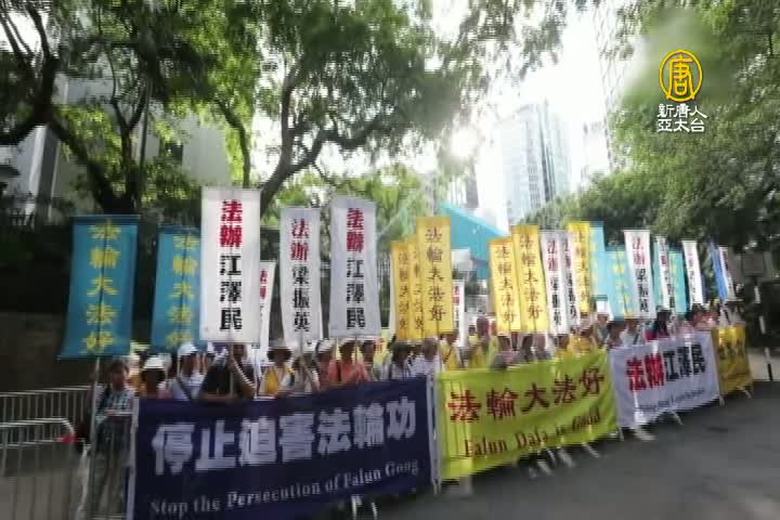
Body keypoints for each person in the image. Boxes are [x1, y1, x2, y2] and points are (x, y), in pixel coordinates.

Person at [92, 358, 135, 514]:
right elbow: (92, 410)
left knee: (117, 486)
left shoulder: (132, 394)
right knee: (95, 483)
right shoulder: (103, 392)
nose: (117, 376)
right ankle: (90, 513)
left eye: (120, 372)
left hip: (121, 445)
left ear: (126, 373)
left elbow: (133, 417)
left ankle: (114, 515)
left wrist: (119, 416)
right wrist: (92, 384)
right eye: (113, 372)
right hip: (103, 445)